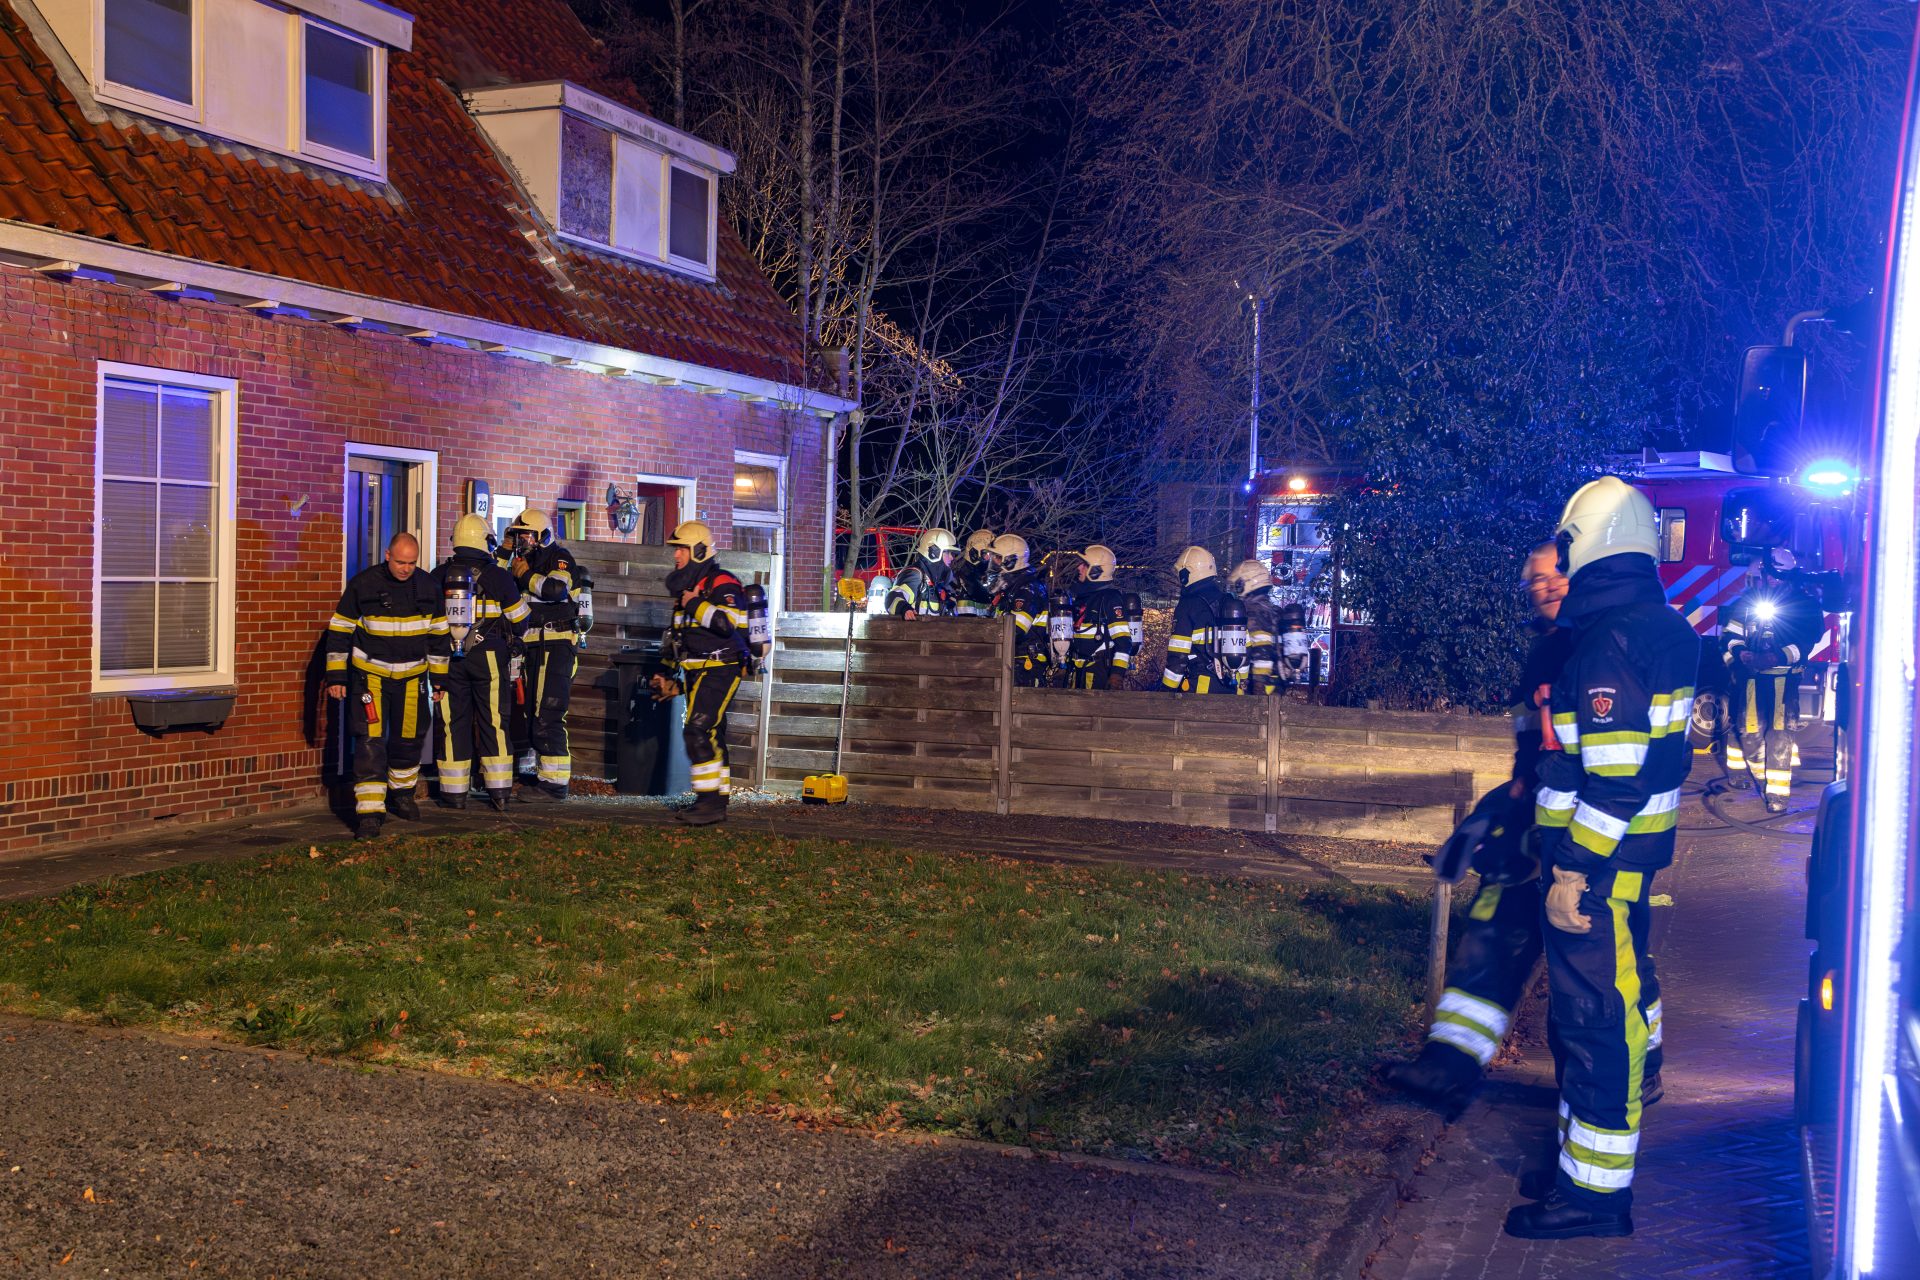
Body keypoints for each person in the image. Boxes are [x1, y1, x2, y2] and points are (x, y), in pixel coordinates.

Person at [1505, 477, 1698, 1242]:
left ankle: (1593, 1197)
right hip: (1627, 865)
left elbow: (1614, 778)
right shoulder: (1659, 626)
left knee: (1593, 1023)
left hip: (1597, 872)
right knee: (1601, 1014)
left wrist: (1574, 870)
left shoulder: (1611, 639)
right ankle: (1577, 1169)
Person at [324, 533, 450, 840]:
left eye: (411, 563)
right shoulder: (363, 584)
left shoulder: (429, 586)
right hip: (372, 677)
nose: (406, 568)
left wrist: (440, 680)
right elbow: (339, 631)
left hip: (413, 677)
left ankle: (402, 795)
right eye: (400, 562)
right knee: (370, 741)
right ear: (387, 555)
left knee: (409, 739)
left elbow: (438, 635)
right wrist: (337, 677)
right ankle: (369, 813)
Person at [649, 521, 749, 826]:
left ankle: (709, 804)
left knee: (698, 730)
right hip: (694, 669)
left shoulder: (723, 583)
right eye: (675, 549)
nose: (676, 555)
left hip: (722, 666)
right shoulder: (684, 590)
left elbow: (725, 624)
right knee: (712, 733)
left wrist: (695, 603)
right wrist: (666, 675)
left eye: (681, 548)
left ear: (700, 551)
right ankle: (715, 799)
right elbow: (676, 637)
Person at [430, 514, 532, 812]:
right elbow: (520, 620)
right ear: (486, 541)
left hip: (448, 659)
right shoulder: (497, 575)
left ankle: (453, 794)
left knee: (452, 722)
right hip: (488, 655)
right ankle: (499, 793)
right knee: (494, 721)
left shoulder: (437, 574)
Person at [1721, 557, 1823, 813]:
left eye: (1778, 576)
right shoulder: (1748, 602)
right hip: (1751, 678)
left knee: (1779, 733)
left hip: (1784, 680)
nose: (1772, 581)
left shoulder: (1805, 605)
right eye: (1769, 575)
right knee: (1750, 732)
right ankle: (1759, 773)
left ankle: (1777, 795)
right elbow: (1731, 637)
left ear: (1790, 576)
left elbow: (1806, 643)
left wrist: (1776, 656)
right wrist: (1742, 654)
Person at [501, 509, 580, 800]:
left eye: (527, 534)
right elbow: (496, 581)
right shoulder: (520, 561)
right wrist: (504, 550)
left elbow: (556, 589)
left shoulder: (558, 557)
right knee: (533, 713)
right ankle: (545, 778)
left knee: (547, 713)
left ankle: (554, 784)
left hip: (555, 644)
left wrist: (527, 575)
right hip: (533, 645)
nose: (522, 540)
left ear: (543, 536)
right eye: (518, 534)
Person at [1161, 545, 1235, 694]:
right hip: (1230, 686)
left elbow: (1178, 656)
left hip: (1201, 687)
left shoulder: (1188, 606)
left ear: (1187, 573)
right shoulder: (1229, 603)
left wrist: (1166, 690)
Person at [1064, 545, 1134, 688]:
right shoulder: (1081, 598)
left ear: (1096, 571)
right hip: (1076, 672)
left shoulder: (1110, 599)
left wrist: (1117, 674)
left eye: (1085, 565)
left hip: (1098, 673)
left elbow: (1123, 642)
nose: (1079, 568)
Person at [990, 533, 1050, 687]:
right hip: (1013, 660)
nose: (993, 562)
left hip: (1024, 663)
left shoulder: (1028, 589)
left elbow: (1015, 630)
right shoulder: (1012, 588)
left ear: (1010, 561)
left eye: (997, 557)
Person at [1226, 560, 1279, 694]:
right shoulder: (1271, 609)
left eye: (1236, 586)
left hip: (1261, 688)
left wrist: (1258, 687)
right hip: (1273, 683)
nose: (1235, 591)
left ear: (1245, 584)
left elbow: (1262, 649)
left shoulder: (1253, 611)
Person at [885, 528, 957, 618]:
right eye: (948, 553)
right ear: (934, 552)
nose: (952, 558)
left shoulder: (935, 582)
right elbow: (892, 599)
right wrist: (904, 608)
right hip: (913, 631)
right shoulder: (915, 575)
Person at [952, 530, 998, 616]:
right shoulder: (962, 580)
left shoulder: (988, 578)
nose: (991, 558)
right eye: (987, 554)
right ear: (974, 553)